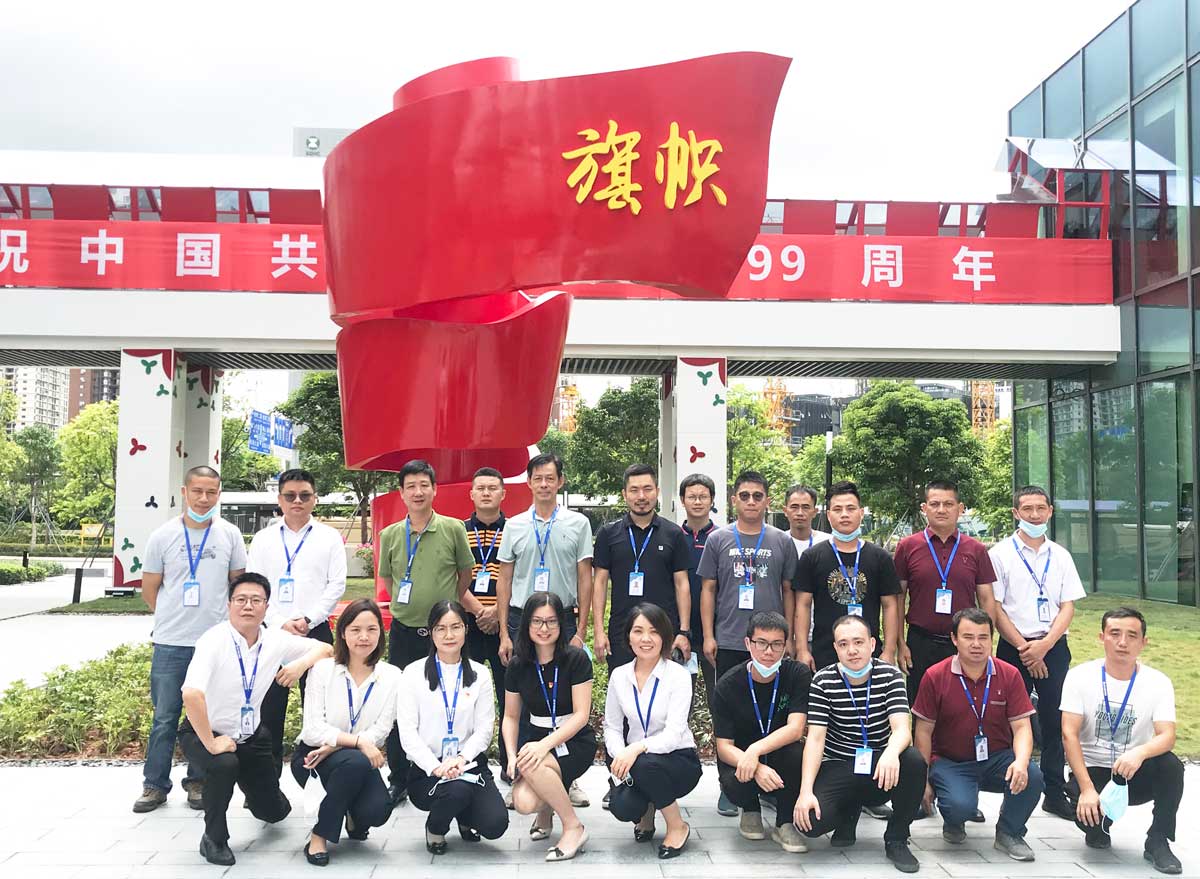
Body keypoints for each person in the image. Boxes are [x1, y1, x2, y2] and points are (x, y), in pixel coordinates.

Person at [178, 573, 333, 866]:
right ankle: (214, 839)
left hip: (251, 736)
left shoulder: (275, 639)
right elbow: (192, 694)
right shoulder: (213, 640)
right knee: (224, 764)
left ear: (266, 607)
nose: (248, 606)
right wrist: (211, 743)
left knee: (273, 812)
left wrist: (299, 665)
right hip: (205, 733)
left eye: (256, 600)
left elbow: (326, 649)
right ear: (229, 605)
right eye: (241, 599)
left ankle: (267, 799)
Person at [134, 465, 246, 814]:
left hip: (214, 643)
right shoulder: (163, 536)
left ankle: (198, 782)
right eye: (197, 491)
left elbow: (238, 586)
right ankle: (155, 785)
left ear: (219, 494)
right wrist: (174, 617)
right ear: (184, 492)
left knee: (207, 717)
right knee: (164, 718)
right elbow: (150, 590)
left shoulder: (230, 535)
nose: (203, 498)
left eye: (211, 492)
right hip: (170, 642)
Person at [496, 452, 594, 808]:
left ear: (560, 481)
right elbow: (505, 578)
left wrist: (580, 629)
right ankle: (521, 771)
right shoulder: (515, 525)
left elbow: (585, 575)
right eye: (537, 478)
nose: (544, 484)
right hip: (523, 619)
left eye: (550, 478)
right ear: (528, 482)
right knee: (524, 694)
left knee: (564, 696)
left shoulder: (578, 523)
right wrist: (504, 632)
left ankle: (567, 777)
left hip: (561, 618)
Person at [793, 615, 926, 874]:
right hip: (840, 764)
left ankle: (897, 838)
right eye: (843, 644)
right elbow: (816, 739)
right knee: (809, 822)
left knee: (912, 761)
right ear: (835, 648)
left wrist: (890, 753)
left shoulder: (890, 675)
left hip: (880, 766)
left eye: (858, 642)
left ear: (872, 644)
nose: (852, 650)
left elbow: (902, 729)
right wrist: (805, 791)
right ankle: (848, 813)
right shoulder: (823, 680)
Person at [377, 459, 475, 806]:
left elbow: (465, 575)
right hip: (404, 632)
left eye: (424, 485)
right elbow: (388, 579)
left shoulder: (453, 529)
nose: (418, 492)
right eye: (411, 486)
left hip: (444, 636)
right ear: (401, 493)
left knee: (449, 701)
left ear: (434, 489)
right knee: (399, 705)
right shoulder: (390, 534)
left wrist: (447, 605)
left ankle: (454, 769)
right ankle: (399, 778)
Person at [987, 485, 1085, 821]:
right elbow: (995, 608)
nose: (1034, 514)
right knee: (1005, 718)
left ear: (1050, 511)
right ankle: (1008, 787)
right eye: (1027, 509)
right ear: (1015, 513)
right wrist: (1025, 649)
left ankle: (1054, 793)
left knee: (1055, 720)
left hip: (1052, 648)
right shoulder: (1000, 554)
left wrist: (1044, 646)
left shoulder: (1061, 555)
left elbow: (1068, 606)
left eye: (1040, 508)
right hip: (1013, 647)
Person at [1061, 606, 1183, 875]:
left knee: (1171, 766)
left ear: (1143, 642)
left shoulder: (1158, 682)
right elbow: (1069, 734)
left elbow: (1167, 735)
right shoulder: (1079, 676)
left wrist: (1139, 753)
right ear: (1101, 637)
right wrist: (1087, 789)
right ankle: (1098, 827)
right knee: (1090, 822)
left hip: (1132, 771)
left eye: (1132, 635)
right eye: (1114, 633)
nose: (1122, 642)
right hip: (1093, 771)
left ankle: (1158, 840)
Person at [912, 608, 1041, 861]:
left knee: (1033, 775)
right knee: (959, 806)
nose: (976, 644)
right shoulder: (935, 676)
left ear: (992, 639)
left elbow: (1022, 727)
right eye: (968, 637)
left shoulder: (1009, 674)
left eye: (983, 637)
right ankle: (954, 819)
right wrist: (922, 780)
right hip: (951, 760)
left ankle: (1009, 832)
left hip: (997, 758)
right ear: (954, 639)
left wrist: (1021, 761)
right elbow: (923, 732)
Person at [249, 468, 347, 777]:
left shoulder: (329, 538)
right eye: (290, 495)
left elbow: (337, 584)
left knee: (320, 708)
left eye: (304, 495)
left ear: (314, 499)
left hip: (315, 633)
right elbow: (255, 586)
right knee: (269, 711)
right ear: (279, 499)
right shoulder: (264, 539)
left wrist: (309, 619)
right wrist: (279, 621)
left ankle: (319, 777)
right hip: (272, 634)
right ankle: (266, 785)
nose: (297, 501)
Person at [398, 601, 510, 855]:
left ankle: (464, 816)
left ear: (466, 630)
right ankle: (435, 828)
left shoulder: (479, 674)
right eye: (441, 628)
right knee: (456, 791)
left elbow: (484, 729)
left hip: (467, 765)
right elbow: (407, 733)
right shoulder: (413, 674)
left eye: (456, 627)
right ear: (431, 632)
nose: (449, 635)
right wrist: (436, 766)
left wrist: (461, 758)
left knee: (495, 825)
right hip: (428, 770)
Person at [292, 599, 397, 866]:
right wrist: (357, 742)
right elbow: (313, 729)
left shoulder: (392, 676)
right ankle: (319, 836)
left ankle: (350, 814)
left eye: (371, 629)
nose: (364, 637)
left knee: (378, 811)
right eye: (355, 630)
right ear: (342, 633)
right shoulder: (322, 670)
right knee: (356, 761)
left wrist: (340, 745)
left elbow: (381, 730)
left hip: (356, 760)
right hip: (313, 758)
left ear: (381, 632)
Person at [602, 602, 700, 858]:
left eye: (654, 631)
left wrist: (635, 749)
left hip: (678, 760)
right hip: (637, 762)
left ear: (665, 637)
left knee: (644, 764)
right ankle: (646, 812)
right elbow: (612, 726)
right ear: (628, 636)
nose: (646, 639)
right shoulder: (619, 676)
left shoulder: (678, 676)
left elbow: (673, 735)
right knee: (622, 806)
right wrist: (620, 755)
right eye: (638, 631)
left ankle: (677, 826)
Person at [502, 593, 595, 861]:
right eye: (537, 621)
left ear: (561, 624)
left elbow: (581, 715)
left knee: (533, 763)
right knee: (523, 803)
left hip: (574, 739)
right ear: (527, 624)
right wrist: (511, 756)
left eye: (551, 621)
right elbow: (510, 717)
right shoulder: (518, 664)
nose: (544, 628)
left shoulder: (576, 659)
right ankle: (545, 812)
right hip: (537, 735)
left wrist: (543, 746)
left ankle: (573, 827)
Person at [710, 611, 810, 853]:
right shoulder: (727, 685)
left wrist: (756, 749)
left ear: (785, 646)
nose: (768, 652)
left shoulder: (797, 674)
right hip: (742, 758)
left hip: (779, 753)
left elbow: (796, 728)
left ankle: (784, 822)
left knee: (798, 755)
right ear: (748, 643)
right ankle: (750, 808)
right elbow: (724, 747)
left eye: (777, 644)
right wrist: (755, 765)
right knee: (733, 779)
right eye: (761, 643)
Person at [894, 480, 998, 705]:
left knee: (963, 705)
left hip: (964, 642)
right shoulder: (907, 547)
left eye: (948, 504)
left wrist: (987, 642)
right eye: (935, 504)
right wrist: (900, 643)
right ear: (924, 508)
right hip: (920, 642)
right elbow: (898, 599)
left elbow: (986, 598)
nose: (941, 510)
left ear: (960, 508)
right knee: (921, 707)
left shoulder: (976, 549)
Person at [698, 470, 799, 681]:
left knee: (770, 697)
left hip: (771, 640)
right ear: (734, 500)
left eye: (757, 496)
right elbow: (708, 589)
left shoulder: (782, 541)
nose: (751, 501)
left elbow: (789, 591)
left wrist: (789, 637)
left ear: (767, 501)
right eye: (744, 496)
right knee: (729, 697)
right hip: (729, 638)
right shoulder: (717, 539)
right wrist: (708, 636)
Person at [593, 464, 692, 671]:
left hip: (663, 630)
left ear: (657, 491)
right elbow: (600, 583)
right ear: (624, 494)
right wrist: (599, 631)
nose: (641, 496)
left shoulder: (673, 534)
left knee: (663, 687)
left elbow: (681, 584)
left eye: (647, 489)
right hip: (622, 630)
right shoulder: (608, 534)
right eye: (634, 490)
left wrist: (683, 631)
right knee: (623, 686)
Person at [794, 480, 901, 672]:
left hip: (869, 653)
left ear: (861, 512)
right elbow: (803, 605)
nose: (844, 514)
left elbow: (890, 605)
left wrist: (889, 650)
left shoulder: (880, 557)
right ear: (829, 515)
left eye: (850, 508)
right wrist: (802, 649)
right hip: (825, 653)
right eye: (837, 509)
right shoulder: (812, 557)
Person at [678, 472, 734, 816]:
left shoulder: (725, 538)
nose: (697, 501)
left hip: (717, 635)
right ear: (682, 500)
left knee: (721, 709)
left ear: (712, 500)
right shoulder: (672, 536)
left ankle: (729, 786)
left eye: (703, 496)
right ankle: (664, 782)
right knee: (673, 709)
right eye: (692, 496)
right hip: (680, 636)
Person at [459, 467, 510, 780]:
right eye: (481, 488)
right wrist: (480, 611)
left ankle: (509, 763)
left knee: (509, 697)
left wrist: (497, 614)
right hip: (468, 624)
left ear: (503, 493)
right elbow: (453, 576)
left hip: (505, 627)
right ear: (472, 494)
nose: (487, 493)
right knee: (467, 697)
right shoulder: (459, 530)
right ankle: (469, 763)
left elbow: (518, 576)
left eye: (493, 487)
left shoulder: (515, 529)